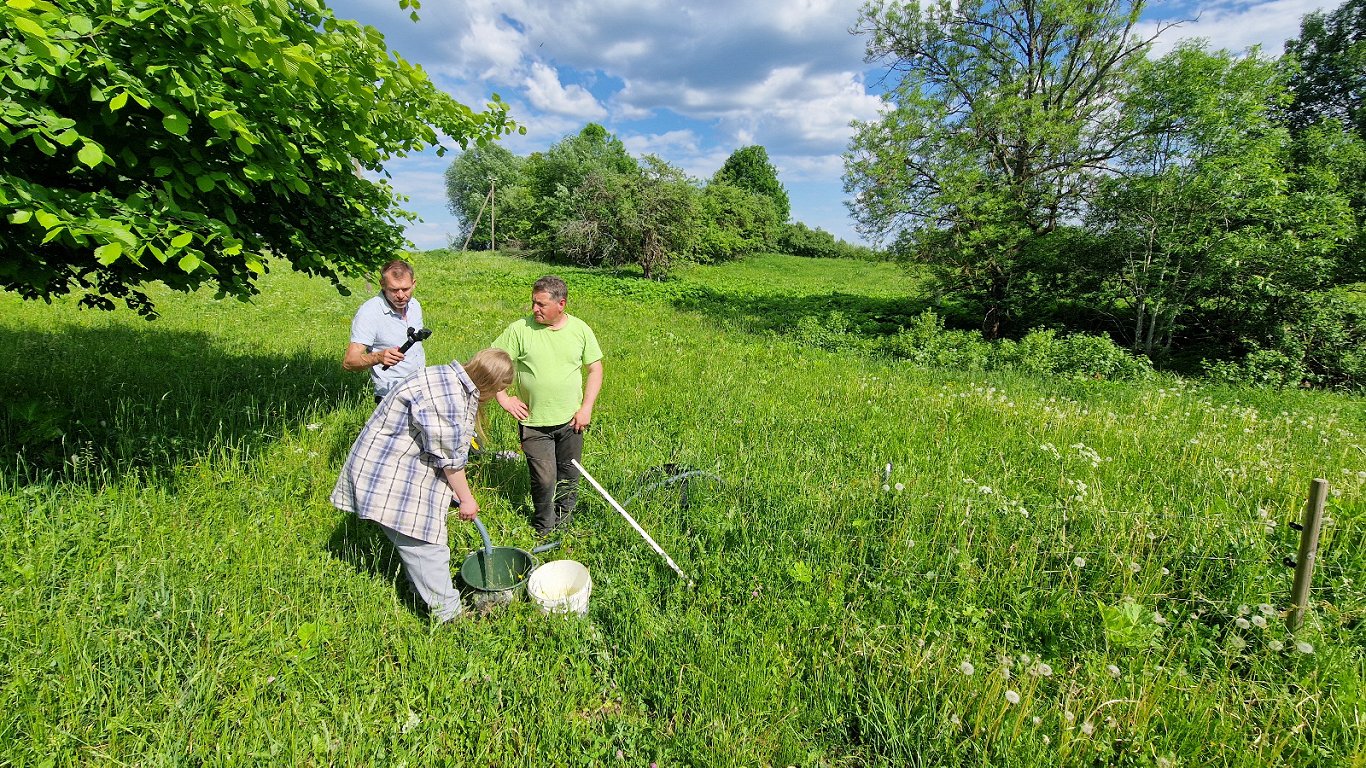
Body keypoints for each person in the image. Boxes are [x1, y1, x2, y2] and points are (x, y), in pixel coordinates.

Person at [331, 348, 514, 623]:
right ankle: (450, 618)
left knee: (419, 541)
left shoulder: (445, 376)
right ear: (489, 384)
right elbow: (450, 461)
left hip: (394, 462)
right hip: (388, 473)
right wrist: (466, 499)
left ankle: (429, 592)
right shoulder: (450, 398)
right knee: (426, 546)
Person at [493, 275, 604, 535]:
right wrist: (504, 398)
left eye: (541, 304)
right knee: (544, 478)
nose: (534, 309)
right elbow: (492, 363)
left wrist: (586, 407)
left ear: (561, 304)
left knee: (569, 475)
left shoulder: (580, 330)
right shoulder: (520, 329)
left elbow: (595, 369)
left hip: (571, 421)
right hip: (534, 423)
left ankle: (564, 524)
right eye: (533, 302)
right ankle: (544, 526)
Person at [343, 259, 425, 403]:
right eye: (394, 290)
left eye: (405, 289)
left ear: (414, 283)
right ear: (382, 284)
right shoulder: (369, 313)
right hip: (391, 396)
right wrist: (378, 357)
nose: (400, 295)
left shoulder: (414, 305)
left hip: (421, 389)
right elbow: (349, 362)